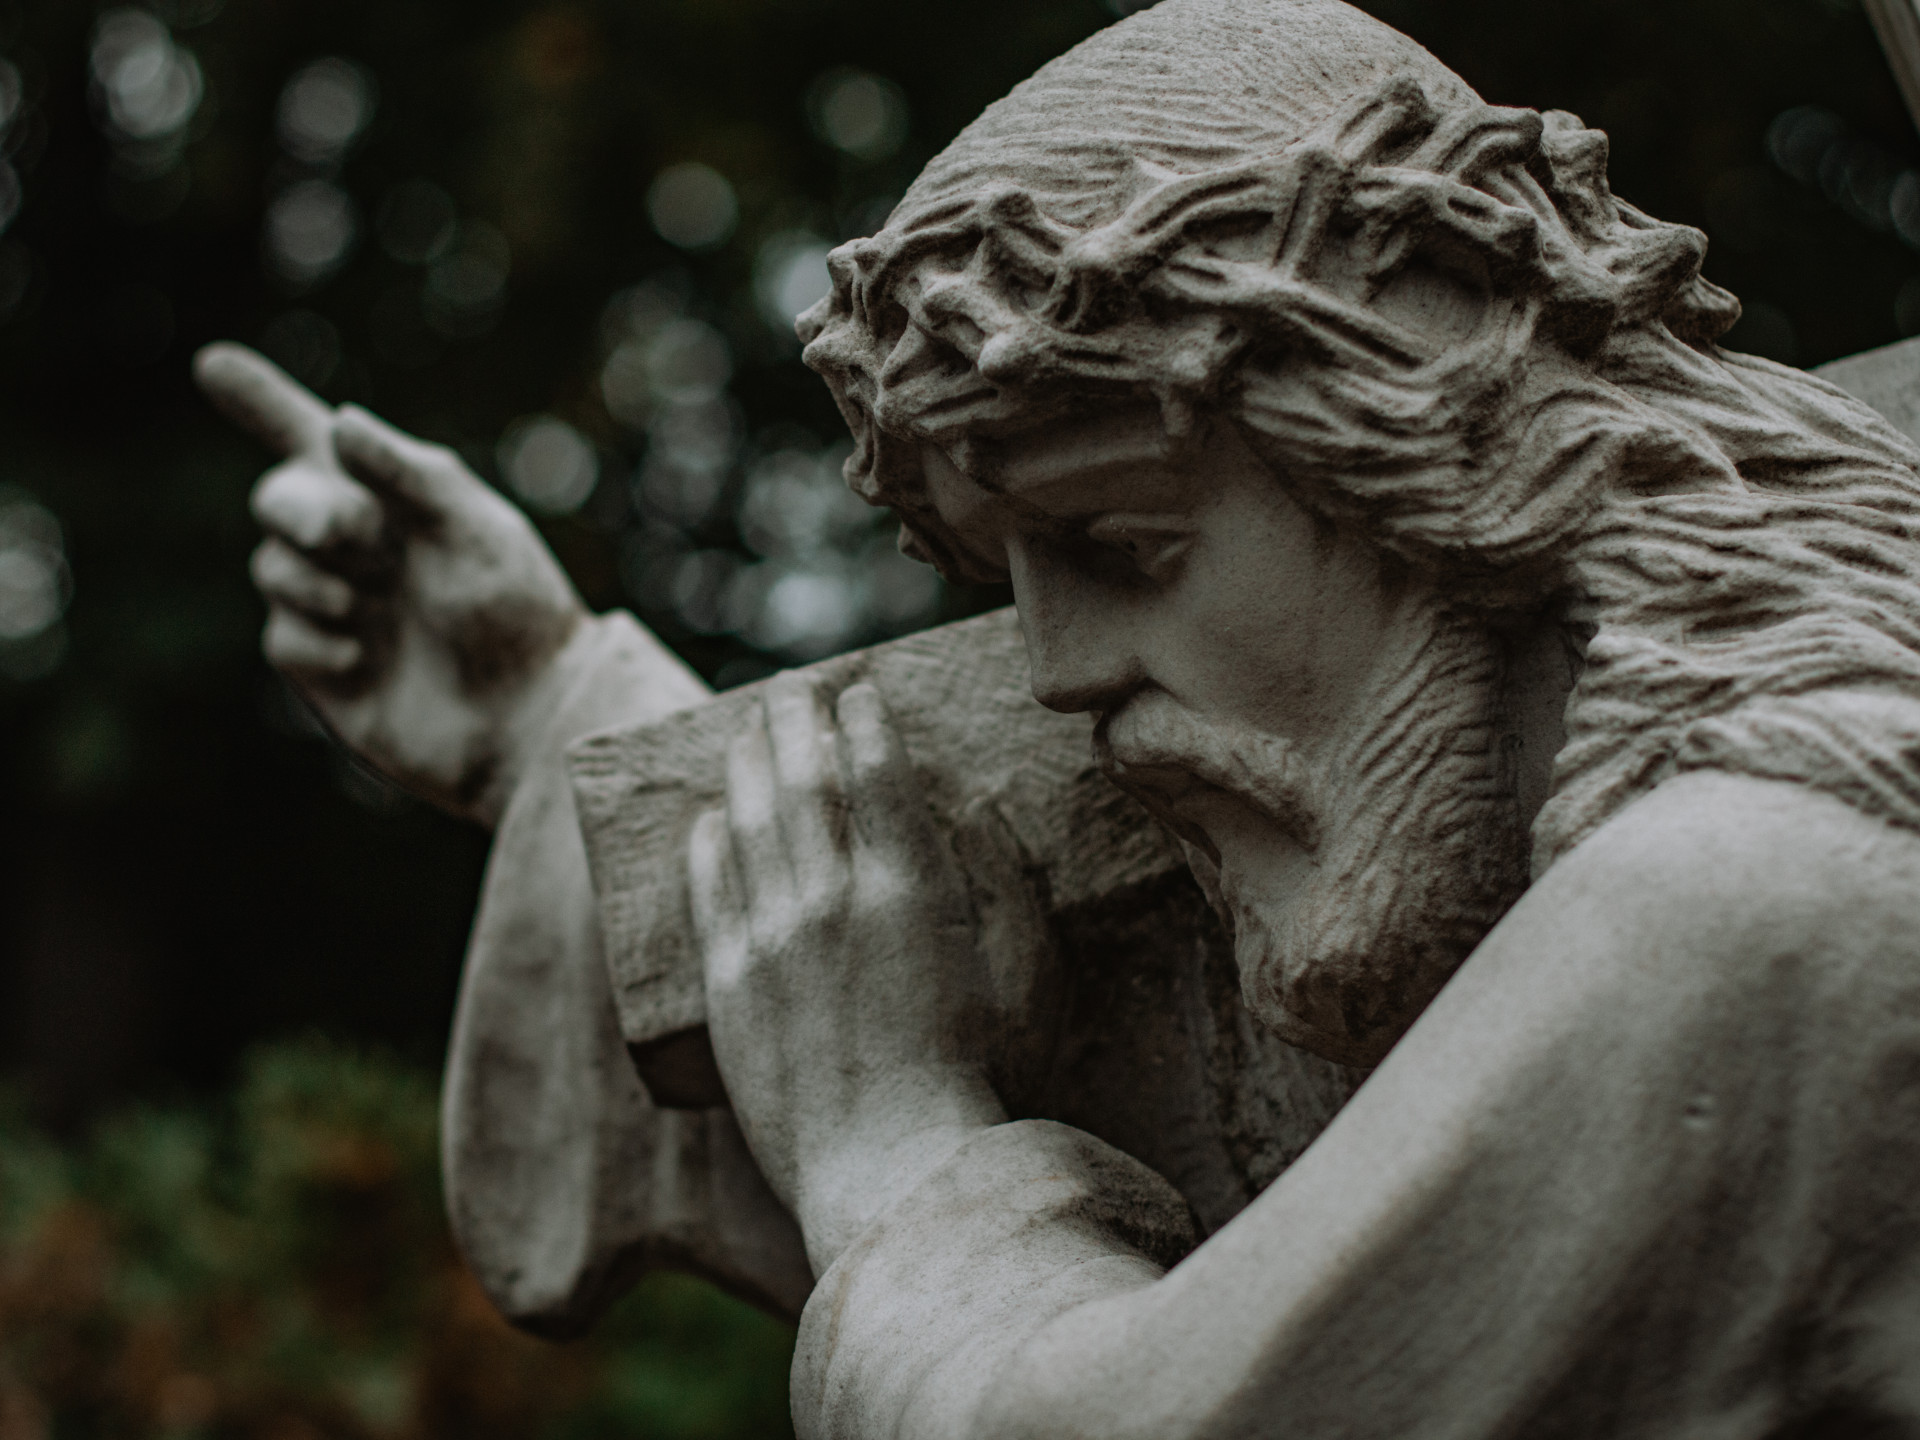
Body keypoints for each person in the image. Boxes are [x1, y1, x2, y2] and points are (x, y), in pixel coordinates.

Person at [202, 0, 1920, 1432]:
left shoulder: (1761, 910)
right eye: (1001, 573)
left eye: (1125, 541)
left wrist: (890, 1149)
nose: (1056, 672)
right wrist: (559, 712)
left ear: (1468, 457)